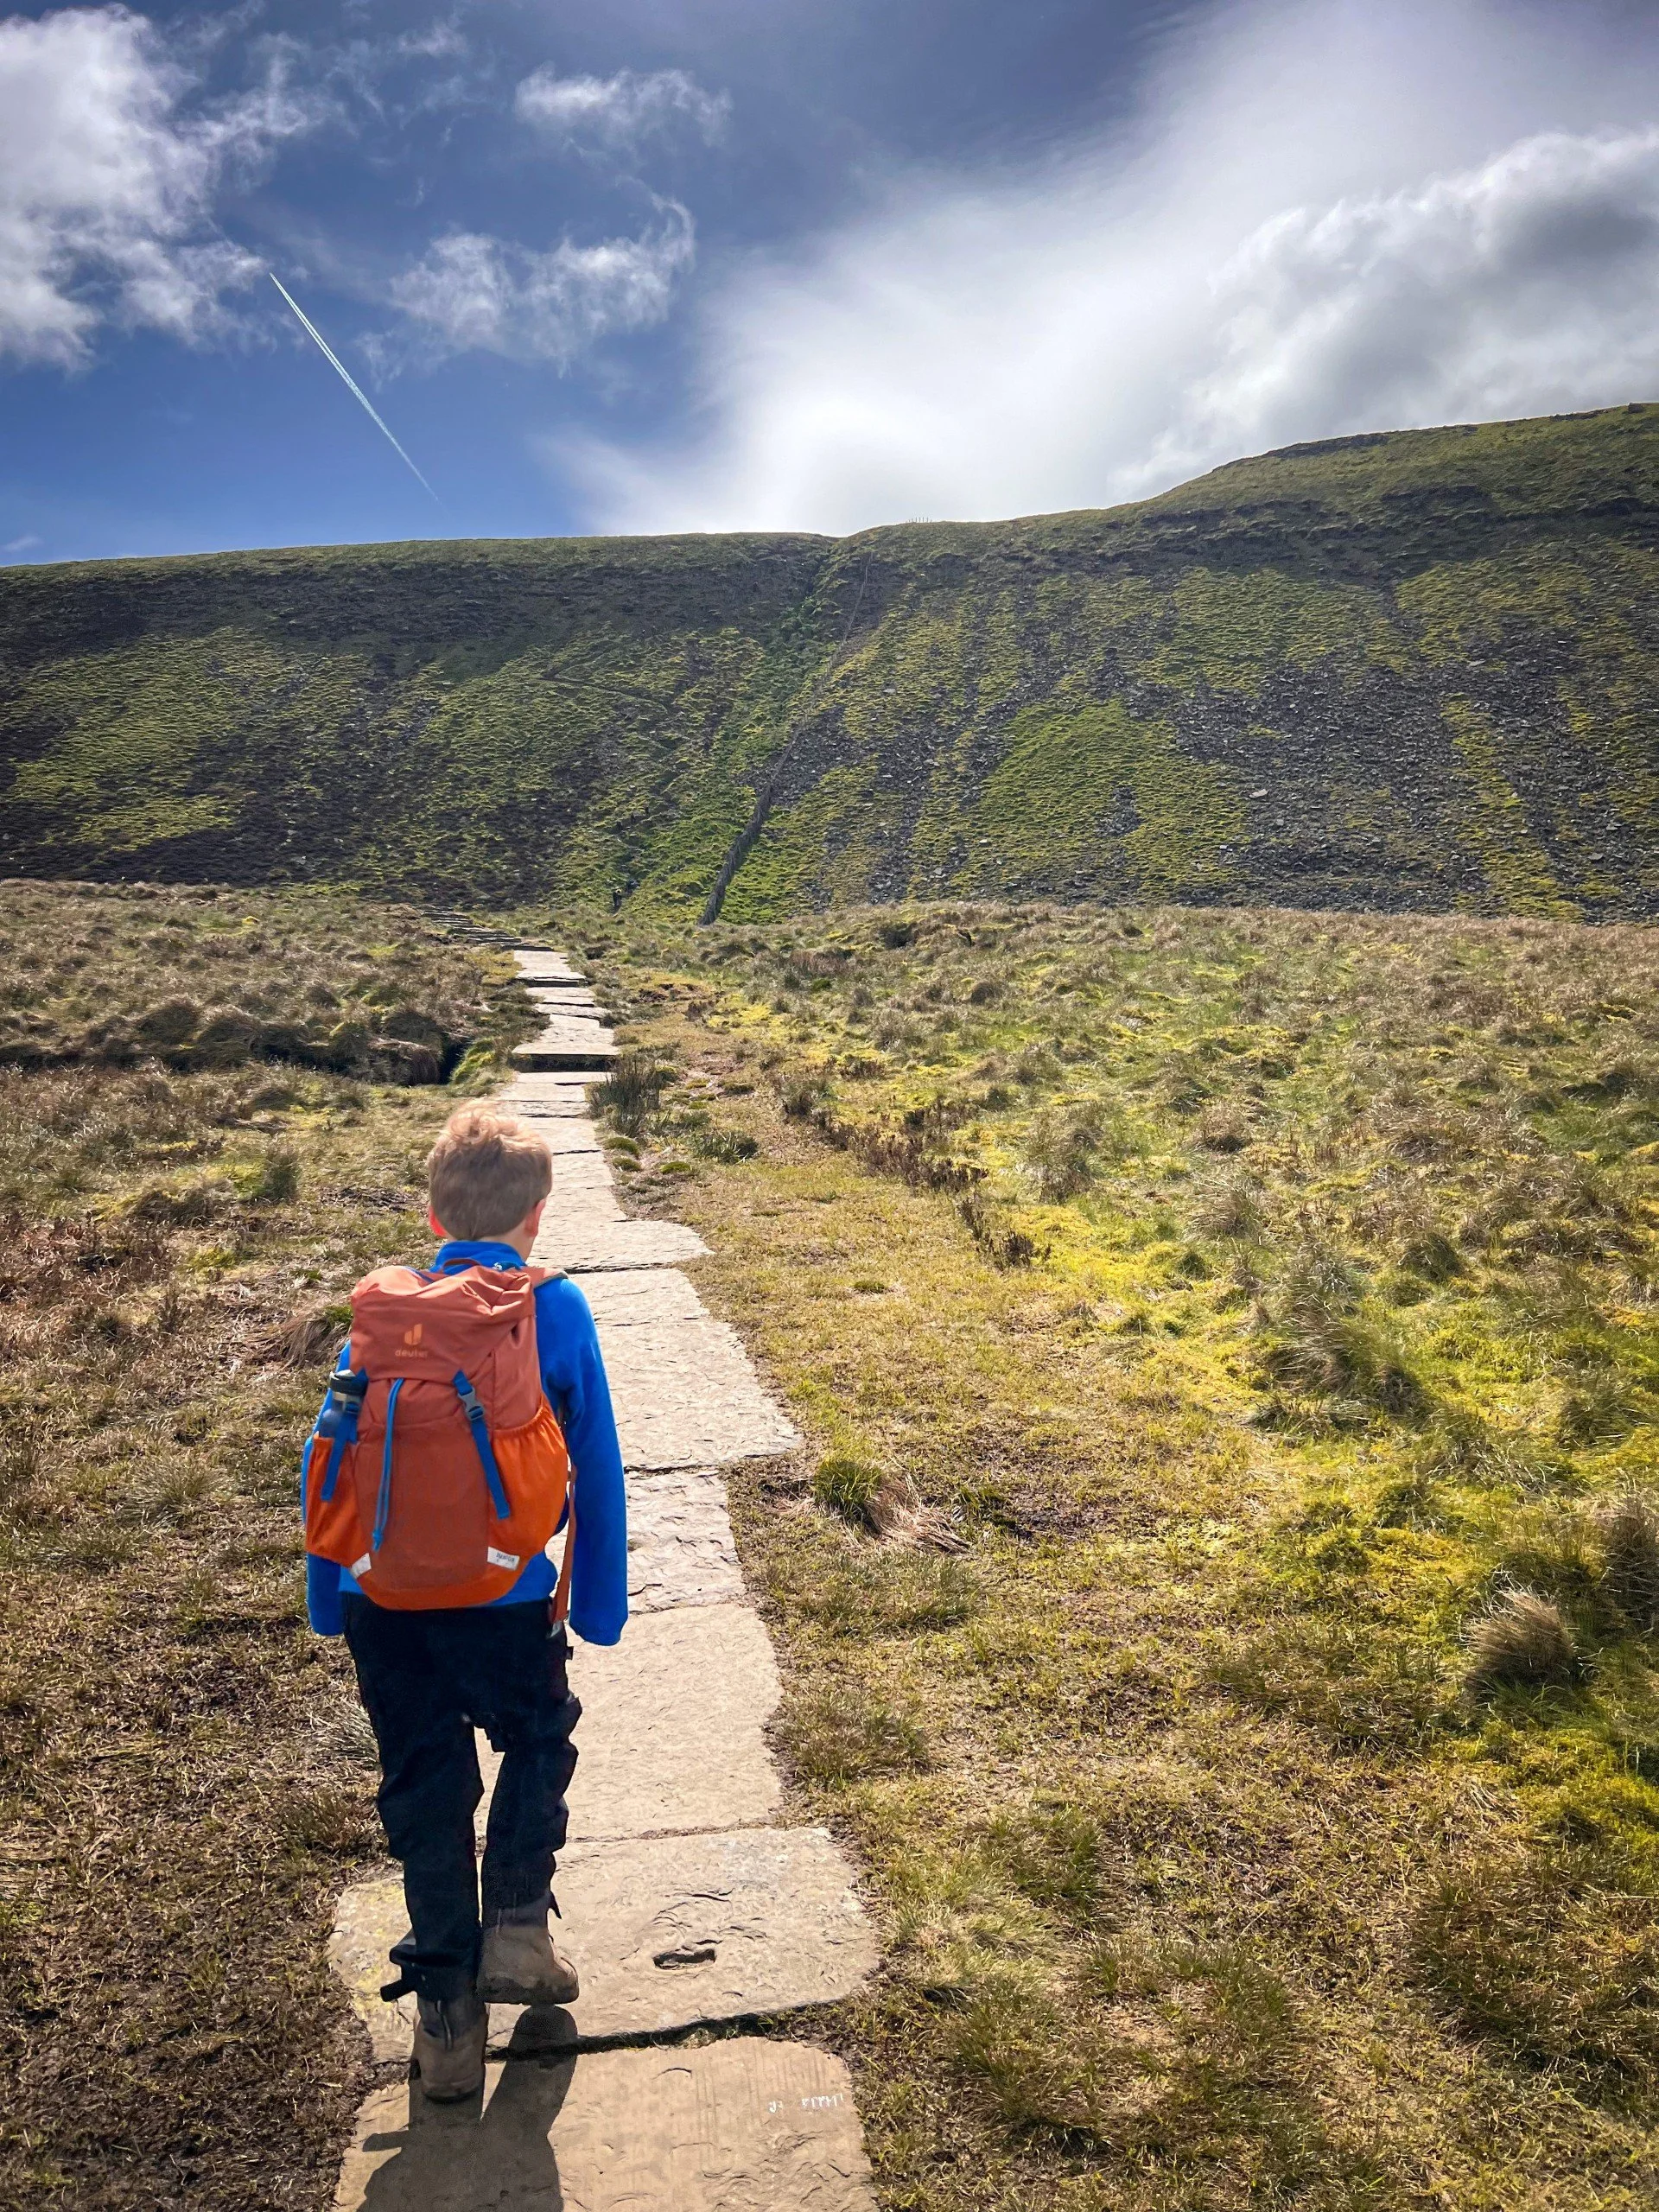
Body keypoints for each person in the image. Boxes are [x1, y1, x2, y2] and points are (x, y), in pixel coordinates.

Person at [302, 1105, 627, 2099]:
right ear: (537, 1214)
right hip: (505, 1596)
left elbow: (330, 1456)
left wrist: (330, 1592)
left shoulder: (386, 1312)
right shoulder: (550, 1306)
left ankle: (445, 2016)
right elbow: (599, 1463)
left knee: (424, 1784)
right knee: (537, 1736)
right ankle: (519, 1933)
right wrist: (597, 1601)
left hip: (383, 1603)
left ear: (431, 1212)